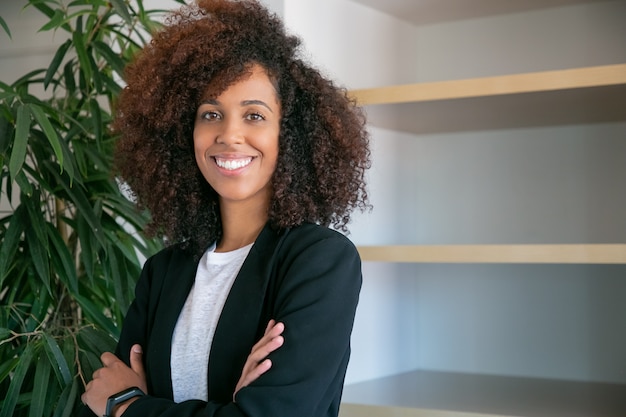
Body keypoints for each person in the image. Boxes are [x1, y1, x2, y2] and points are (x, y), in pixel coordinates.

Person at [80, 0, 370, 416]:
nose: (230, 135)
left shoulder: (319, 260)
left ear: (289, 134)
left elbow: (115, 403)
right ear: (184, 133)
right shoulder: (162, 272)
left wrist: (130, 408)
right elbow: (98, 399)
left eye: (254, 115)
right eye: (211, 113)